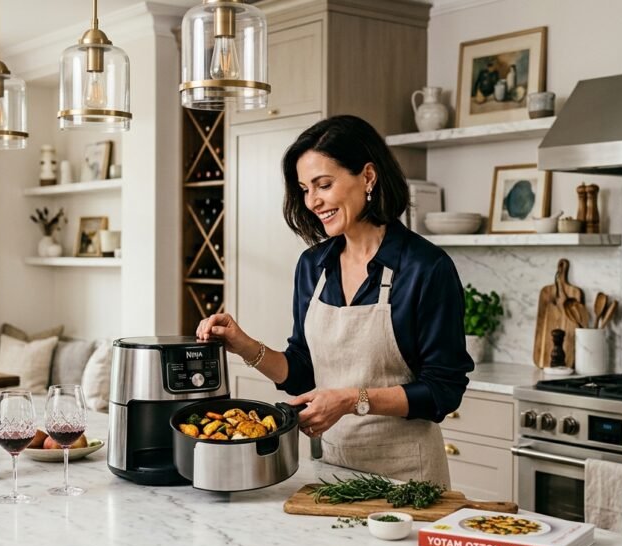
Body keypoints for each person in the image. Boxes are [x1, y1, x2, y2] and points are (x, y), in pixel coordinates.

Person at [196, 115, 473, 487]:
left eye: (323, 185)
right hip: (333, 472)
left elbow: (443, 391)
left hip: (409, 480)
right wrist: (243, 344)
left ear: (368, 177)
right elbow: (302, 371)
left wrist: (351, 400)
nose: (312, 201)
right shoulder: (313, 267)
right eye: (304, 189)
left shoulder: (426, 267)